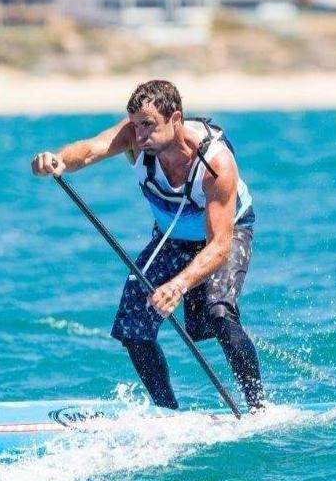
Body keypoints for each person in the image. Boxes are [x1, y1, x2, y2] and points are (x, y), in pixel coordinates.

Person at [31, 80, 264, 410]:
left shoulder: (215, 165)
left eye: (148, 125)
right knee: (132, 323)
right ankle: (168, 412)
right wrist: (58, 160)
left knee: (218, 312)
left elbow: (219, 247)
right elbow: (92, 149)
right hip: (172, 235)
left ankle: (257, 407)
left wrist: (178, 285)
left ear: (175, 119)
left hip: (226, 233)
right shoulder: (134, 137)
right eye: (136, 124)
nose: (139, 135)